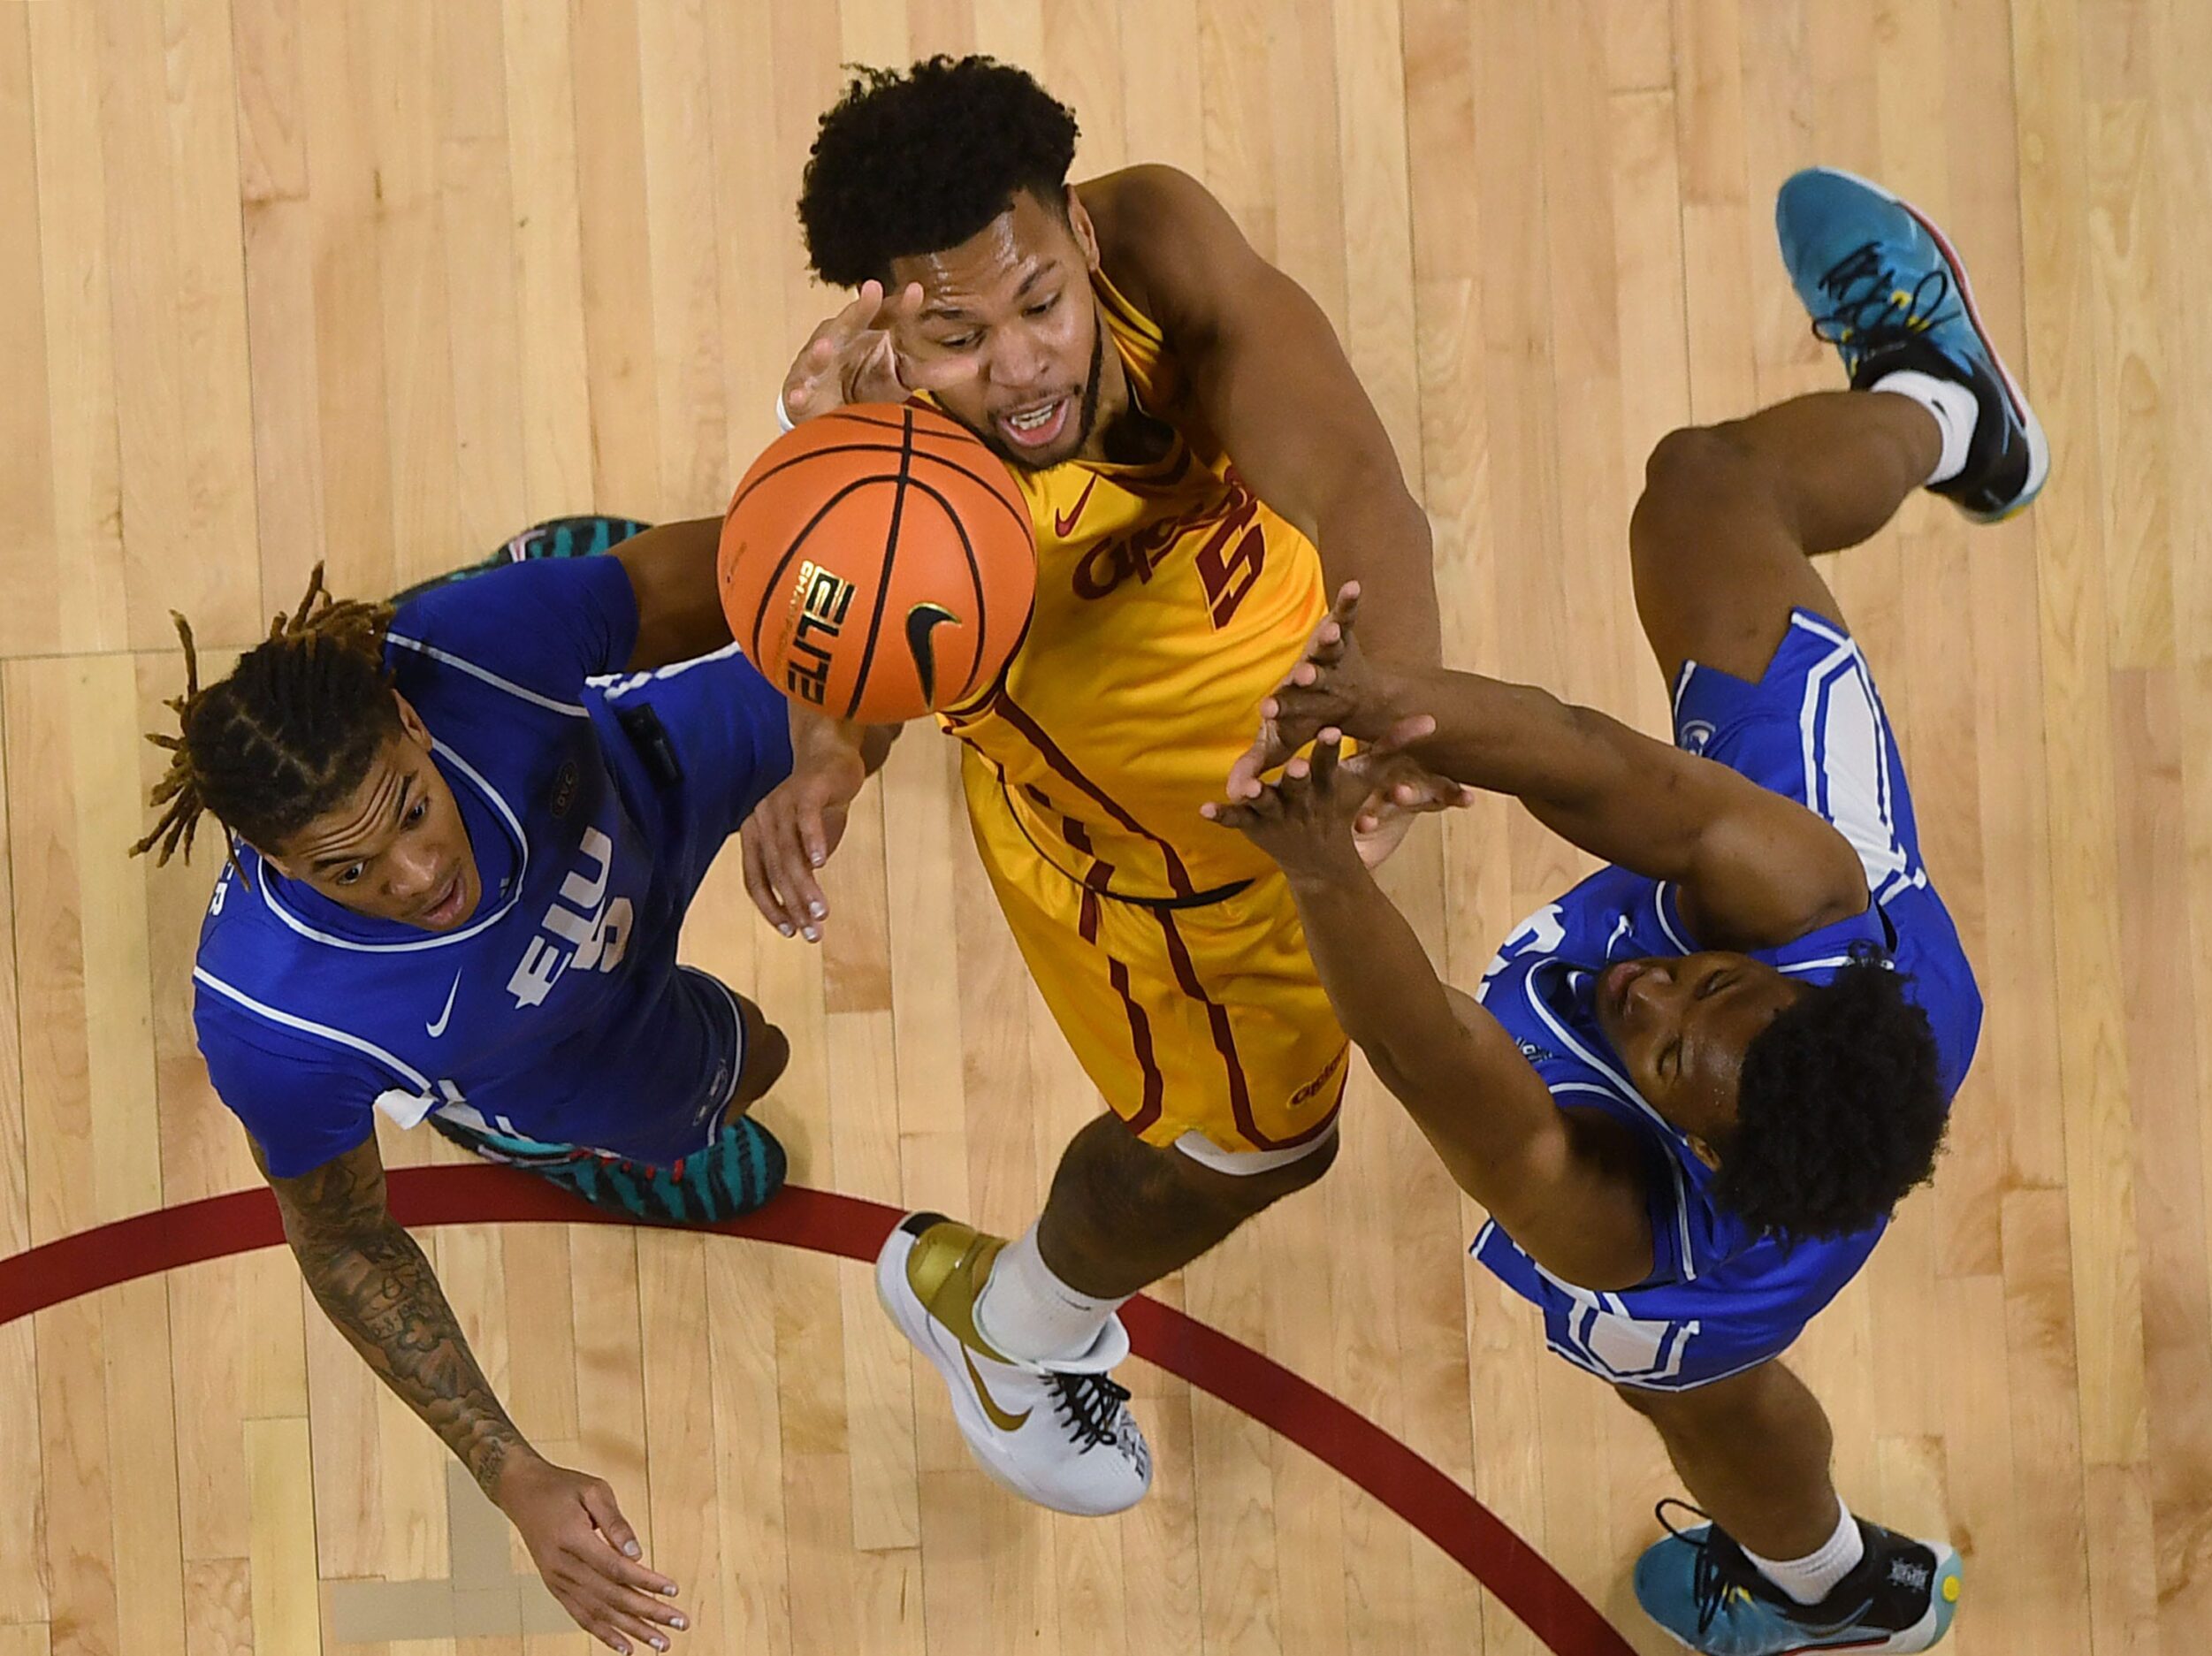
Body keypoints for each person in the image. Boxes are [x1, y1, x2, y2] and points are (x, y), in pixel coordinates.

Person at [1205, 168, 2045, 1653]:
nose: (1645, 991)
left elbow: (1432, 1055)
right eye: (1704, 983)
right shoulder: (1804, 901)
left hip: (1709, 1262)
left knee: (1696, 1383)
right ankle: (1952, 406)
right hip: (1867, 997)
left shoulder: (1627, 1219)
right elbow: (1593, 763)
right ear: (1792, 976)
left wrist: (1322, 862)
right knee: (1705, 489)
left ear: (1693, 1136)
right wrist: (1383, 703)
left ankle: (1831, 1591)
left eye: (1662, 1045)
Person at [743, 55, 1449, 1515]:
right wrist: (826, 749)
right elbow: (870, 640)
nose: (1021, 367)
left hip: (1272, 750)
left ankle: (1016, 1318)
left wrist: (1391, 714)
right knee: (1267, 1141)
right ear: (883, 320)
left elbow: (1363, 485)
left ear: (1079, 229)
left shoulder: (1164, 242)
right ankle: (1012, 1323)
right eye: (955, 335)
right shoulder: (891, 463)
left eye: (1042, 303)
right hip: (1177, 881)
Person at [134, 517, 801, 1655]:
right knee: (754, 1059)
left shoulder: (470, 656)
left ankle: (555, 575)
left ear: (408, 722)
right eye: (348, 870)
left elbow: (772, 565)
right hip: (559, 1044)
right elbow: (344, 1240)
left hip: (641, 775)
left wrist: (832, 704)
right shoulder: (275, 1024)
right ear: (270, 857)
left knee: (840, 678)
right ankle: (504, 1126)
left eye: (408, 809)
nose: (420, 873)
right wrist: (511, 1469)